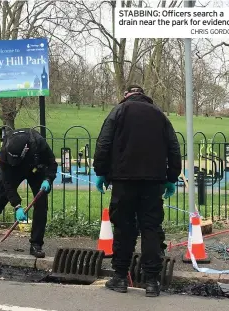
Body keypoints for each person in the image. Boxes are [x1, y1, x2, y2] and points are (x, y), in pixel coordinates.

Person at [93, 85, 181, 297]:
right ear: (145, 96)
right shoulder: (160, 115)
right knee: (150, 227)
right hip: (153, 181)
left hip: (124, 179)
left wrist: (101, 171)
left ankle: (120, 277)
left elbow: (104, 143)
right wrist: (171, 177)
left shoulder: (119, 111)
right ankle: (151, 282)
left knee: (124, 227)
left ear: (127, 96)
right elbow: (173, 147)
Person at [0, 128, 58, 258]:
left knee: (41, 203)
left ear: (26, 150)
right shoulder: (5, 151)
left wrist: (48, 179)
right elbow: (7, 182)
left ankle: (36, 244)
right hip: (12, 171)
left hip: (36, 168)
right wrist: (17, 205)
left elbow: (52, 163)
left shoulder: (39, 143)